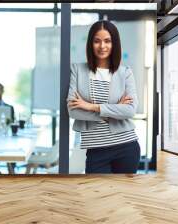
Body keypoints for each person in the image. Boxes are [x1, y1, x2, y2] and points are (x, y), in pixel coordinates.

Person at [67, 20, 140, 174]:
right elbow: (73, 110)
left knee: (124, 196)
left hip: (126, 146)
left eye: (107, 41)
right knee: (97, 196)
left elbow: (130, 111)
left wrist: (91, 106)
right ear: (90, 44)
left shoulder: (125, 72)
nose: (102, 46)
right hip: (96, 149)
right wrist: (113, 111)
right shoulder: (78, 70)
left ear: (114, 44)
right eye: (97, 41)